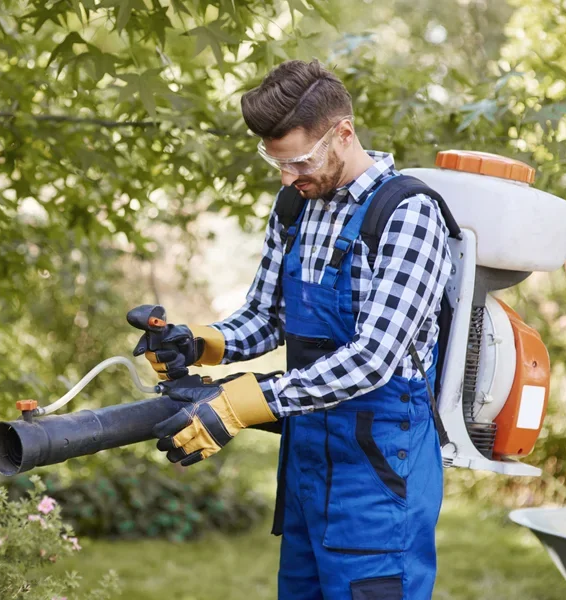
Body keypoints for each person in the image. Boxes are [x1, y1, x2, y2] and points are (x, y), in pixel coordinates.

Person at [133, 59, 453, 600]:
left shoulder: (407, 215)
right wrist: (201, 342)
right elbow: (267, 317)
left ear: (343, 132)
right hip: (308, 467)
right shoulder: (294, 206)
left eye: (299, 161)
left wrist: (241, 404)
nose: (287, 177)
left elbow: (372, 358)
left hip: (379, 475)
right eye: (276, 162)